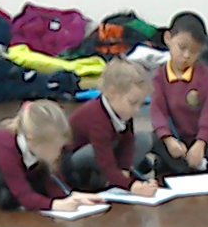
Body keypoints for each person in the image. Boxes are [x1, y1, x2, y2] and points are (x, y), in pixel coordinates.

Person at [0, 101, 103, 214]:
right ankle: (10, 193)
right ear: (32, 141)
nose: (59, 153)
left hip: (25, 170)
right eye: (56, 148)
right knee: (9, 181)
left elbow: (54, 178)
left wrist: (72, 196)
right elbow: (25, 194)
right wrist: (55, 205)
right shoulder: (6, 145)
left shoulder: (38, 148)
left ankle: (13, 194)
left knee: (38, 180)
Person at [150, 11, 208, 176]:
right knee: (153, 141)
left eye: (194, 51)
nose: (186, 56)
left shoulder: (205, 75)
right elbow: (158, 111)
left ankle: (182, 166)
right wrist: (168, 139)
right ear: (168, 38)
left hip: (201, 139)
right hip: (175, 140)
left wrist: (201, 142)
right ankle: (203, 166)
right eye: (182, 48)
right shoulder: (159, 76)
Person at [67, 59, 158, 196]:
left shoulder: (123, 111)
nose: (137, 110)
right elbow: (104, 160)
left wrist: (124, 169)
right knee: (92, 152)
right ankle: (105, 181)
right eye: (133, 103)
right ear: (112, 93)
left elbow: (128, 141)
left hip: (107, 152)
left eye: (141, 104)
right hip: (77, 164)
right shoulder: (96, 117)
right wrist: (131, 186)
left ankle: (118, 178)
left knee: (144, 139)